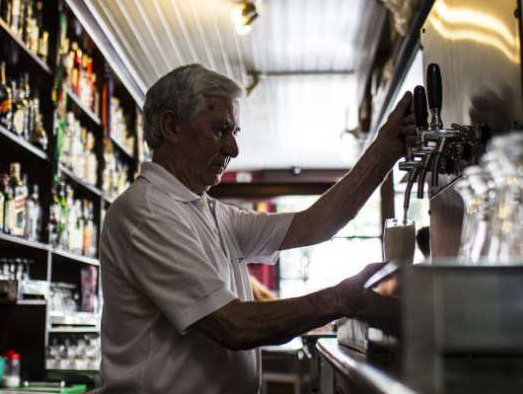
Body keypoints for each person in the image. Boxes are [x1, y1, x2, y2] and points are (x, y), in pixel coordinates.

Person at [99, 64, 416, 393]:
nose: (233, 150)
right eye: (220, 130)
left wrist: (385, 151)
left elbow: (315, 224)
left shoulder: (210, 212)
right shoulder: (146, 211)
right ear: (171, 127)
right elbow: (232, 325)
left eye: (234, 133)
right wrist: (341, 300)